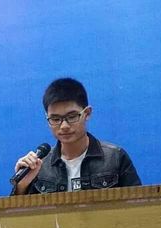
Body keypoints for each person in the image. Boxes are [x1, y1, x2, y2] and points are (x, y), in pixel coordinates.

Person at [12, 78, 141, 195]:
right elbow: (22, 212)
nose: (64, 126)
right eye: (55, 119)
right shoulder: (39, 166)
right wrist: (22, 186)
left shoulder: (115, 158)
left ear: (87, 113)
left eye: (72, 116)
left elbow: (138, 205)